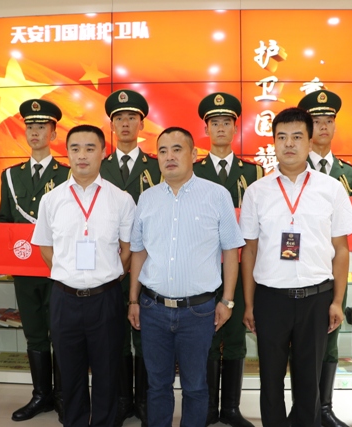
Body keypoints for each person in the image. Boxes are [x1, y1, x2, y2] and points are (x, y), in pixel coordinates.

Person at [240, 107, 352, 427]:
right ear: (273, 143)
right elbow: (249, 251)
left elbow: (341, 249)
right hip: (270, 299)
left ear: (310, 141)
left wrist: (337, 301)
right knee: (270, 380)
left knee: (309, 383)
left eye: (296, 137)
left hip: (316, 299)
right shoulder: (256, 192)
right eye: (281, 137)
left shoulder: (331, 189)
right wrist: (249, 304)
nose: (289, 144)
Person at [128, 127, 245, 427]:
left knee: (195, 386)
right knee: (157, 385)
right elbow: (138, 252)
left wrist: (228, 301)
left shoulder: (216, 195)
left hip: (198, 311)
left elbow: (231, 250)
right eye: (163, 151)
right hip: (152, 308)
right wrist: (133, 300)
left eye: (177, 149)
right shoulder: (147, 199)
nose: (169, 156)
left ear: (193, 154)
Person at [31, 124, 135, 427]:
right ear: (67, 153)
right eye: (75, 148)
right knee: (70, 372)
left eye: (90, 148)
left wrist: (109, 277)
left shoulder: (121, 199)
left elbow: (127, 250)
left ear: (103, 152)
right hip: (65, 299)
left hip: (106, 299)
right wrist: (69, 274)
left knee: (107, 371)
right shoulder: (52, 200)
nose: (82, 155)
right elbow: (45, 248)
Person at [298, 89, 352, 427]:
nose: (323, 126)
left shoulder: (350, 174)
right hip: (301, 266)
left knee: (331, 334)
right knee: (299, 342)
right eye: (316, 121)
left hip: (335, 267)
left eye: (329, 120)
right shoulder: (292, 169)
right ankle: (303, 408)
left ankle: (324, 408)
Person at [0, 99, 70, 422]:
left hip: (58, 269)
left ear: (53, 133)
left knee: (62, 332)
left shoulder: (67, 174)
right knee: (35, 332)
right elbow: (4, 221)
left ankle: (64, 395)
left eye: (42, 126)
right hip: (25, 269)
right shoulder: (11, 176)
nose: (35, 132)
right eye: (30, 126)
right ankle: (41, 395)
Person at [193, 92, 262, 427]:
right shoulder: (193, 171)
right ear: (206, 129)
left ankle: (231, 409)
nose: (220, 128)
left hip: (241, 264)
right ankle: (208, 408)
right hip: (202, 266)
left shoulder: (254, 172)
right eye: (214, 123)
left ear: (236, 129)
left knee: (235, 336)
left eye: (226, 123)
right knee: (206, 336)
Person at [101, 89, 161, 427]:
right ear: (111, 125)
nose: (125, 123)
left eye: (131, 117)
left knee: (146, 334)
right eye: (119, 118)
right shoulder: (99, 166)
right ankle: (123, 400)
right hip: (108, 266)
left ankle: (145, 400)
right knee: (116, 335)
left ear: (142, 124)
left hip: (149, 264)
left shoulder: (157, 165)